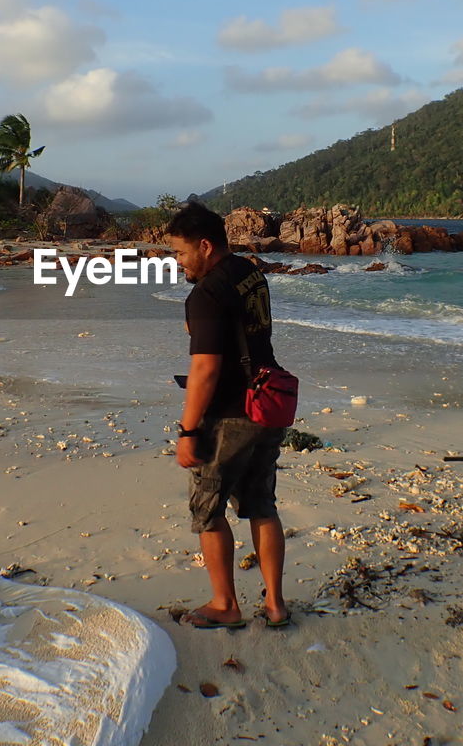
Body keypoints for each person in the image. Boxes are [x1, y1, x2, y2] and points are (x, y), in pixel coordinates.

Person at [166, 202, 290, 629]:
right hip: (267, 403)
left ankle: (226, 604)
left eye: (180, 253)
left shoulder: (206, 294)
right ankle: (275, 604)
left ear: (204, 246)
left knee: (209, 509)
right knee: (261, 505)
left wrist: (187, 431)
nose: (177, 262)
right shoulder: (248, 272)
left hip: (228, 415)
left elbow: (205, 369)